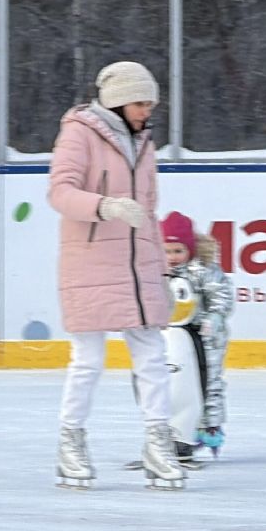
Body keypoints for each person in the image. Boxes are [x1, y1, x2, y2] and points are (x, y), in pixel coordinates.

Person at [49, 60, 185, 490]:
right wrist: (104, 206)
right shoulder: (79, 133)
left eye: (150, 104)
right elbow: (60, 192)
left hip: (138, 265)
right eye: (140, 102)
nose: (147, 111)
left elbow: (149, 212)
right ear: (118, 101)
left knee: (152, 355)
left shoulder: (143, 143)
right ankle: (71, 442)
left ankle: (158, 443)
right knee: (89, 360)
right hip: (90, 261)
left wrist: (160, 269)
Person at [161, 211, 234, 459]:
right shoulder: (158, 271)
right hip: (174, 337)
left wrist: (215, 316)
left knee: (209, 381)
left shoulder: (203, 270)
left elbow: (221, 294)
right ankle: (173, 429)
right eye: (167, 251)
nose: (172, 257)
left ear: (190, 249)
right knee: (175, 385)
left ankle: (209, 427)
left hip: (206, 337)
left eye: (178, 251)